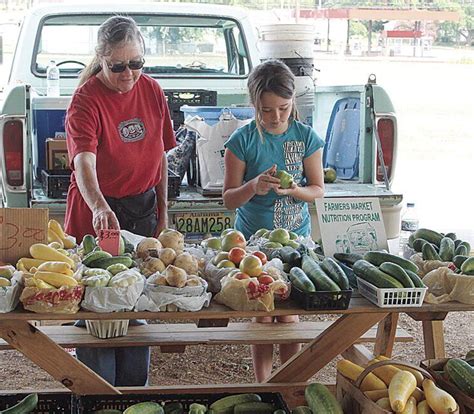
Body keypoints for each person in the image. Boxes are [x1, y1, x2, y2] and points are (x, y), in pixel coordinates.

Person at [64, 16, 176, 386]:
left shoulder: (152, 90)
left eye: (136, 63)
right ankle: (98, 393)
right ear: (101, 58)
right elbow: (84, 160)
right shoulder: (85, 100)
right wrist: (99, 206)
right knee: (98, 303)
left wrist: (163, 210)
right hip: (99, 215)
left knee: (136, 299)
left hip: (141, 210)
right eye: (118, 66)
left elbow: (160, 154)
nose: (129, 73)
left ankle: (132, 392)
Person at [222, 60, 325, 382]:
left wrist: (295, 189)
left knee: (290, 314)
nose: (276, 117)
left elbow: (318, 189)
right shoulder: (241, 141)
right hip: (252, 245)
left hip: (296, 241)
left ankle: (290, 381)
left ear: (293, 101)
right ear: (254, 105)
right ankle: (263, 383)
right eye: (266, 110)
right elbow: (228, 200)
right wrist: (253, 186)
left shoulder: (306, 137)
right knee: (263, 315)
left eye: (283, 108)